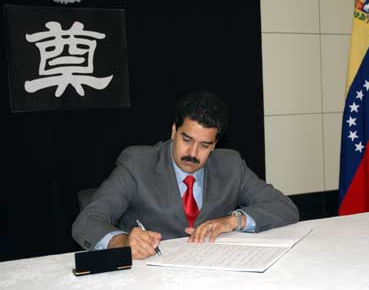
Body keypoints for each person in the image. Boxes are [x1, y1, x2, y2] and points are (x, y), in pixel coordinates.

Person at [72, 92, 299, 259]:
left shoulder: (230, 164)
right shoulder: (137, 163)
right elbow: (87, 222)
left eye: (204, 145)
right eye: (186, 140)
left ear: (214, 145)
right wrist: (121, 242)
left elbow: (285, 207)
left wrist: (233, 221)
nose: (192, 153)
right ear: (173, 131)